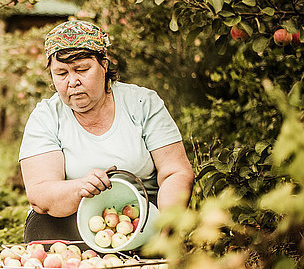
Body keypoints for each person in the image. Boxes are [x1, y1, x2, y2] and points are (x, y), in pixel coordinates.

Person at [18, 20, 195, 244]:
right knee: (44, 229)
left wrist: (166, 225)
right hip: (70, 221)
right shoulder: (46, 117)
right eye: (61, 73)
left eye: (82, 69)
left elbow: (175, 172)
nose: (73, 81)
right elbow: (40, 195)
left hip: (141, 221)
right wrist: (80, 187)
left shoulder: (142, 103)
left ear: (104, 65)